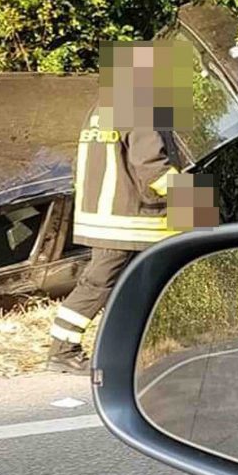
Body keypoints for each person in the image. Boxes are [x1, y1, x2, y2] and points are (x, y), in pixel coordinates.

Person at [45, 41, 198, 373]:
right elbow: (152, 168)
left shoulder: (103, 106)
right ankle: (62, 351)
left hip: (104, 215)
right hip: (129, 218)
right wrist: (194, 202)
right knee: (100, 283)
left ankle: (124, 350)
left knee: (120, 284)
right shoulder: (139, 107)